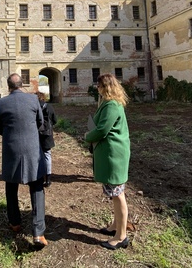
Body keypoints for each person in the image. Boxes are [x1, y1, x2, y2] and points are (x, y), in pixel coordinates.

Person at [0, 73, 48, 249]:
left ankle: (15, 223)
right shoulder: (33, 100)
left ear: (8, 86)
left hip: (11, 149)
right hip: (33, 149)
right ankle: (38, 232)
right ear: (22, 84)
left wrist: (11, 135)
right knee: (37, 189)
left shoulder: (1, 103)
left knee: (11, 186)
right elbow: (41, 122)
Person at [85, 73, 131, 250]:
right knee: (115, 193)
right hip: (112, 153)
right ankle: (115, 226)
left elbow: (103, 129)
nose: (97, 89)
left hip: (113, 154)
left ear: (105, 87)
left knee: (118, 194)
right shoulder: (109, 102)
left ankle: (121, 236)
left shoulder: (111, 105)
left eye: (98, 86)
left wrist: (87, 136)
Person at [35, 92, 57, 188]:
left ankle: (37, 176)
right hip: (47, 134)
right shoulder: (49, 107)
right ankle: (48, 179)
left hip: (36, 134)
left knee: (36, 156)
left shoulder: (34, 107)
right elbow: (55, 120)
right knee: (47, 155)